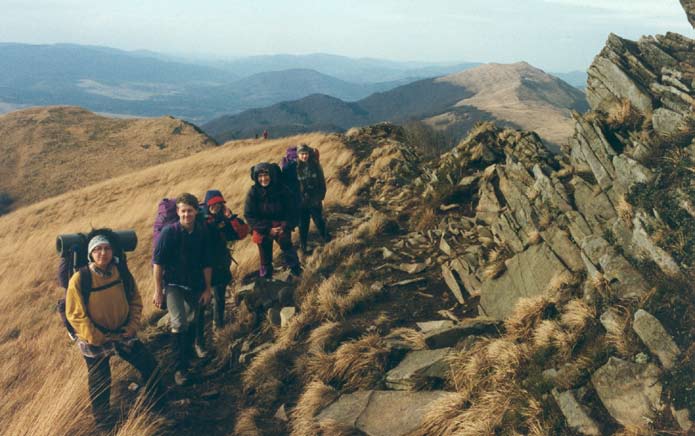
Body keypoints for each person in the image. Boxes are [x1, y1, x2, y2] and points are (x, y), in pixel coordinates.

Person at [66, 229, 161, 429]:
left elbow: (135, 301)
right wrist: (95, 337)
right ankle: (103, 423)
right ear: (90, 254)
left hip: (123, 333)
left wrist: (132, 326)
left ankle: (158, 404)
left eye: (107, 248)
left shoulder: (122, 272)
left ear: (113, 251)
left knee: (150, 366)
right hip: (95, 340)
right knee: (100, 383)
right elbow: (75, 314)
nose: (103, 253)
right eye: (98, 249)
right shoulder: (80, 278)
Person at [152, 193, 213, 385]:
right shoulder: (169, 233)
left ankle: (188, 361)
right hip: (173, 284)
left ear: (196, 211)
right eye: (183, 211)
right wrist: (158, 290)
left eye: (190, 210)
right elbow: (158, 264)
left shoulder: (201, 232)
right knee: (178, 322)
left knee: (192, 320)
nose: (186, 214)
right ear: (178, 212)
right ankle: (179, 369)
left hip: (195, 284)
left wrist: (207, 289)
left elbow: (206, 263)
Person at [198, 189, 249, 334]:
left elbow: (241, 233)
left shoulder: (223, 219)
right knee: (203, 299)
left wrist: (231, 218)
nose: (217, 207)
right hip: (203, 266)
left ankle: (218, 326)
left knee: (219, 296)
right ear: (207, 205)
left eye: (219, 204)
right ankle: (199, 335)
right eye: (213, 205)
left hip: (220, 264)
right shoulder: (200, 221)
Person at [244, 162, 301, 279]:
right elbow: (249, 215)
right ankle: (266, 278)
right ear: (255, 177)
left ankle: (296, 271)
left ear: (272, 175)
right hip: (262, 227)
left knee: (286, 245)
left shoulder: (282, 189)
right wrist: (268, 229)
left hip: (281, 225)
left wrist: (285, 226)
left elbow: (292, 210)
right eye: (260, 176)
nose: (263, 179)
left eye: (266, 175)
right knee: (264, 253)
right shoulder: (253, 192)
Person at [295, 144, 330, 253]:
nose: (304, 156)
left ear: (309, 154)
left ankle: (328, 240)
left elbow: (322, 183)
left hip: (315, 200)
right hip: (301, 202)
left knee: (319, 221)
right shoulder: (294, 168)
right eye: (302, 154)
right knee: (303, 224)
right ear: (298, 155)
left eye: (306, 154)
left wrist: (320, 197)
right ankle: (303, 246)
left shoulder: (315, 165)